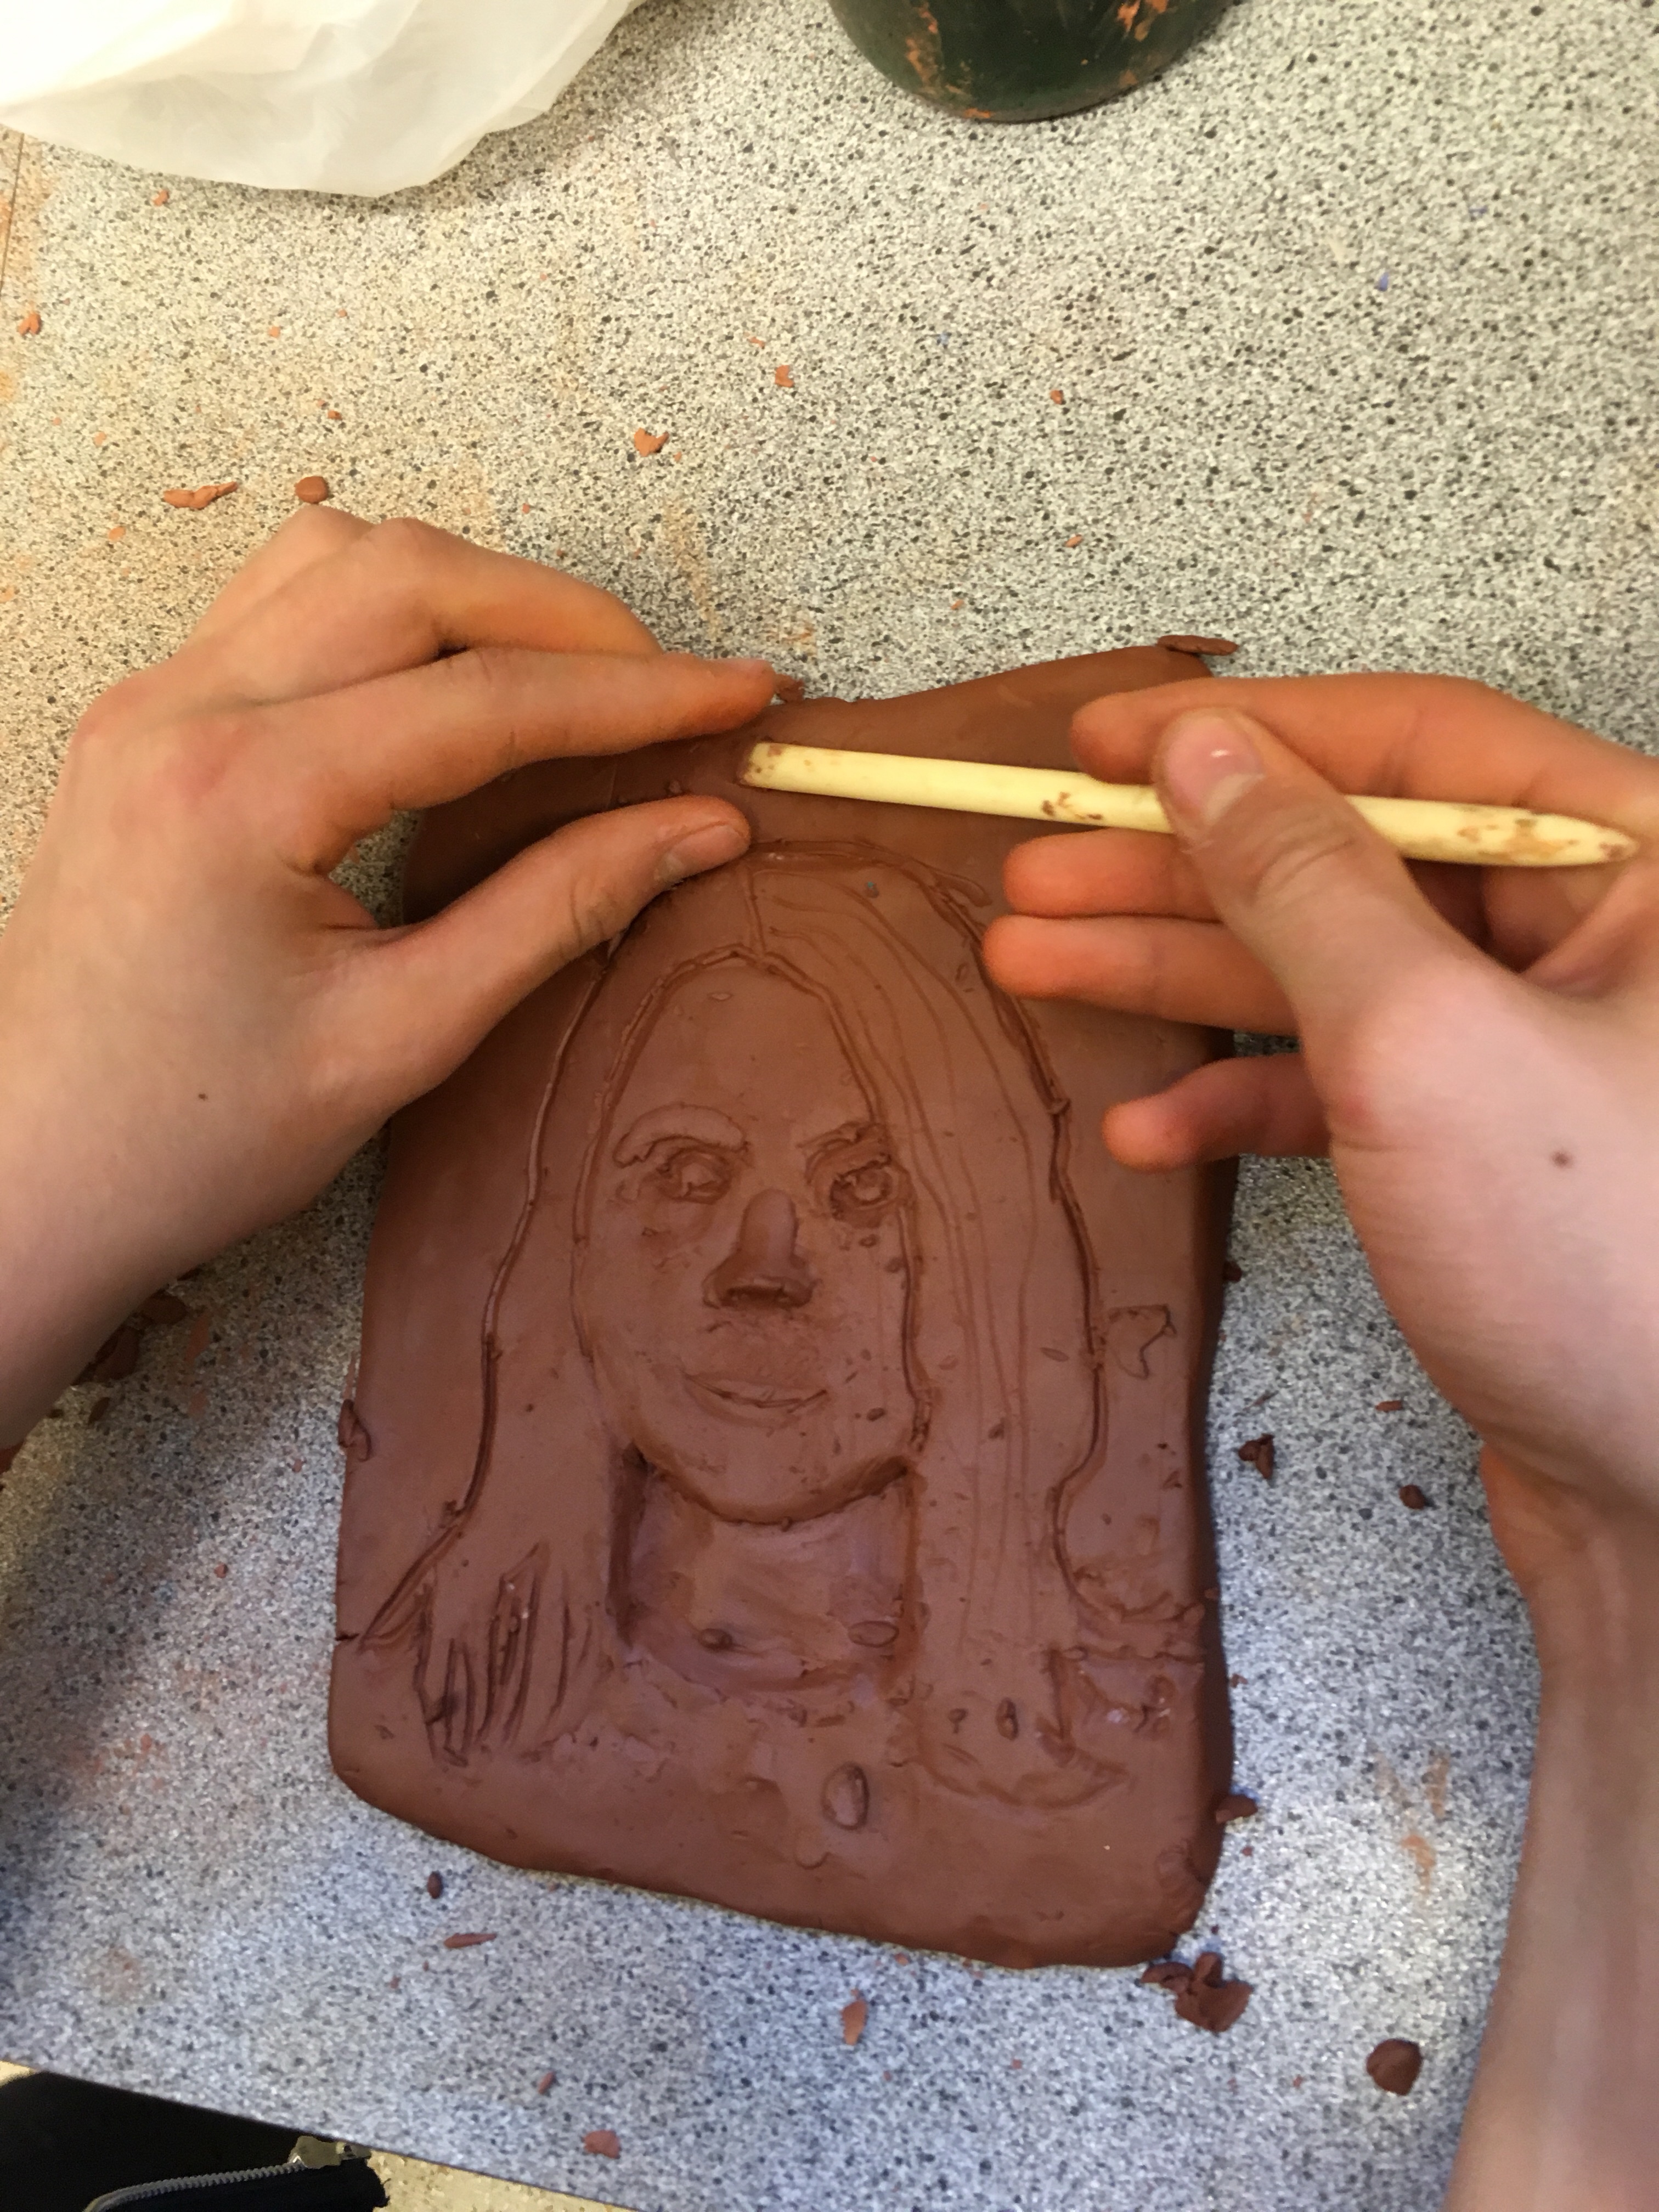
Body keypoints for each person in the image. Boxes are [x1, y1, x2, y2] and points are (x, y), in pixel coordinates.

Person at [0, 509, 1654, 2209]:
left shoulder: (1054, 1749)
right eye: (685, 1173)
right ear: (575, 1230)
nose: (763, 1272)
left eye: (872, 1189)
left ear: (989, 1247)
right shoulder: (469, 1681)